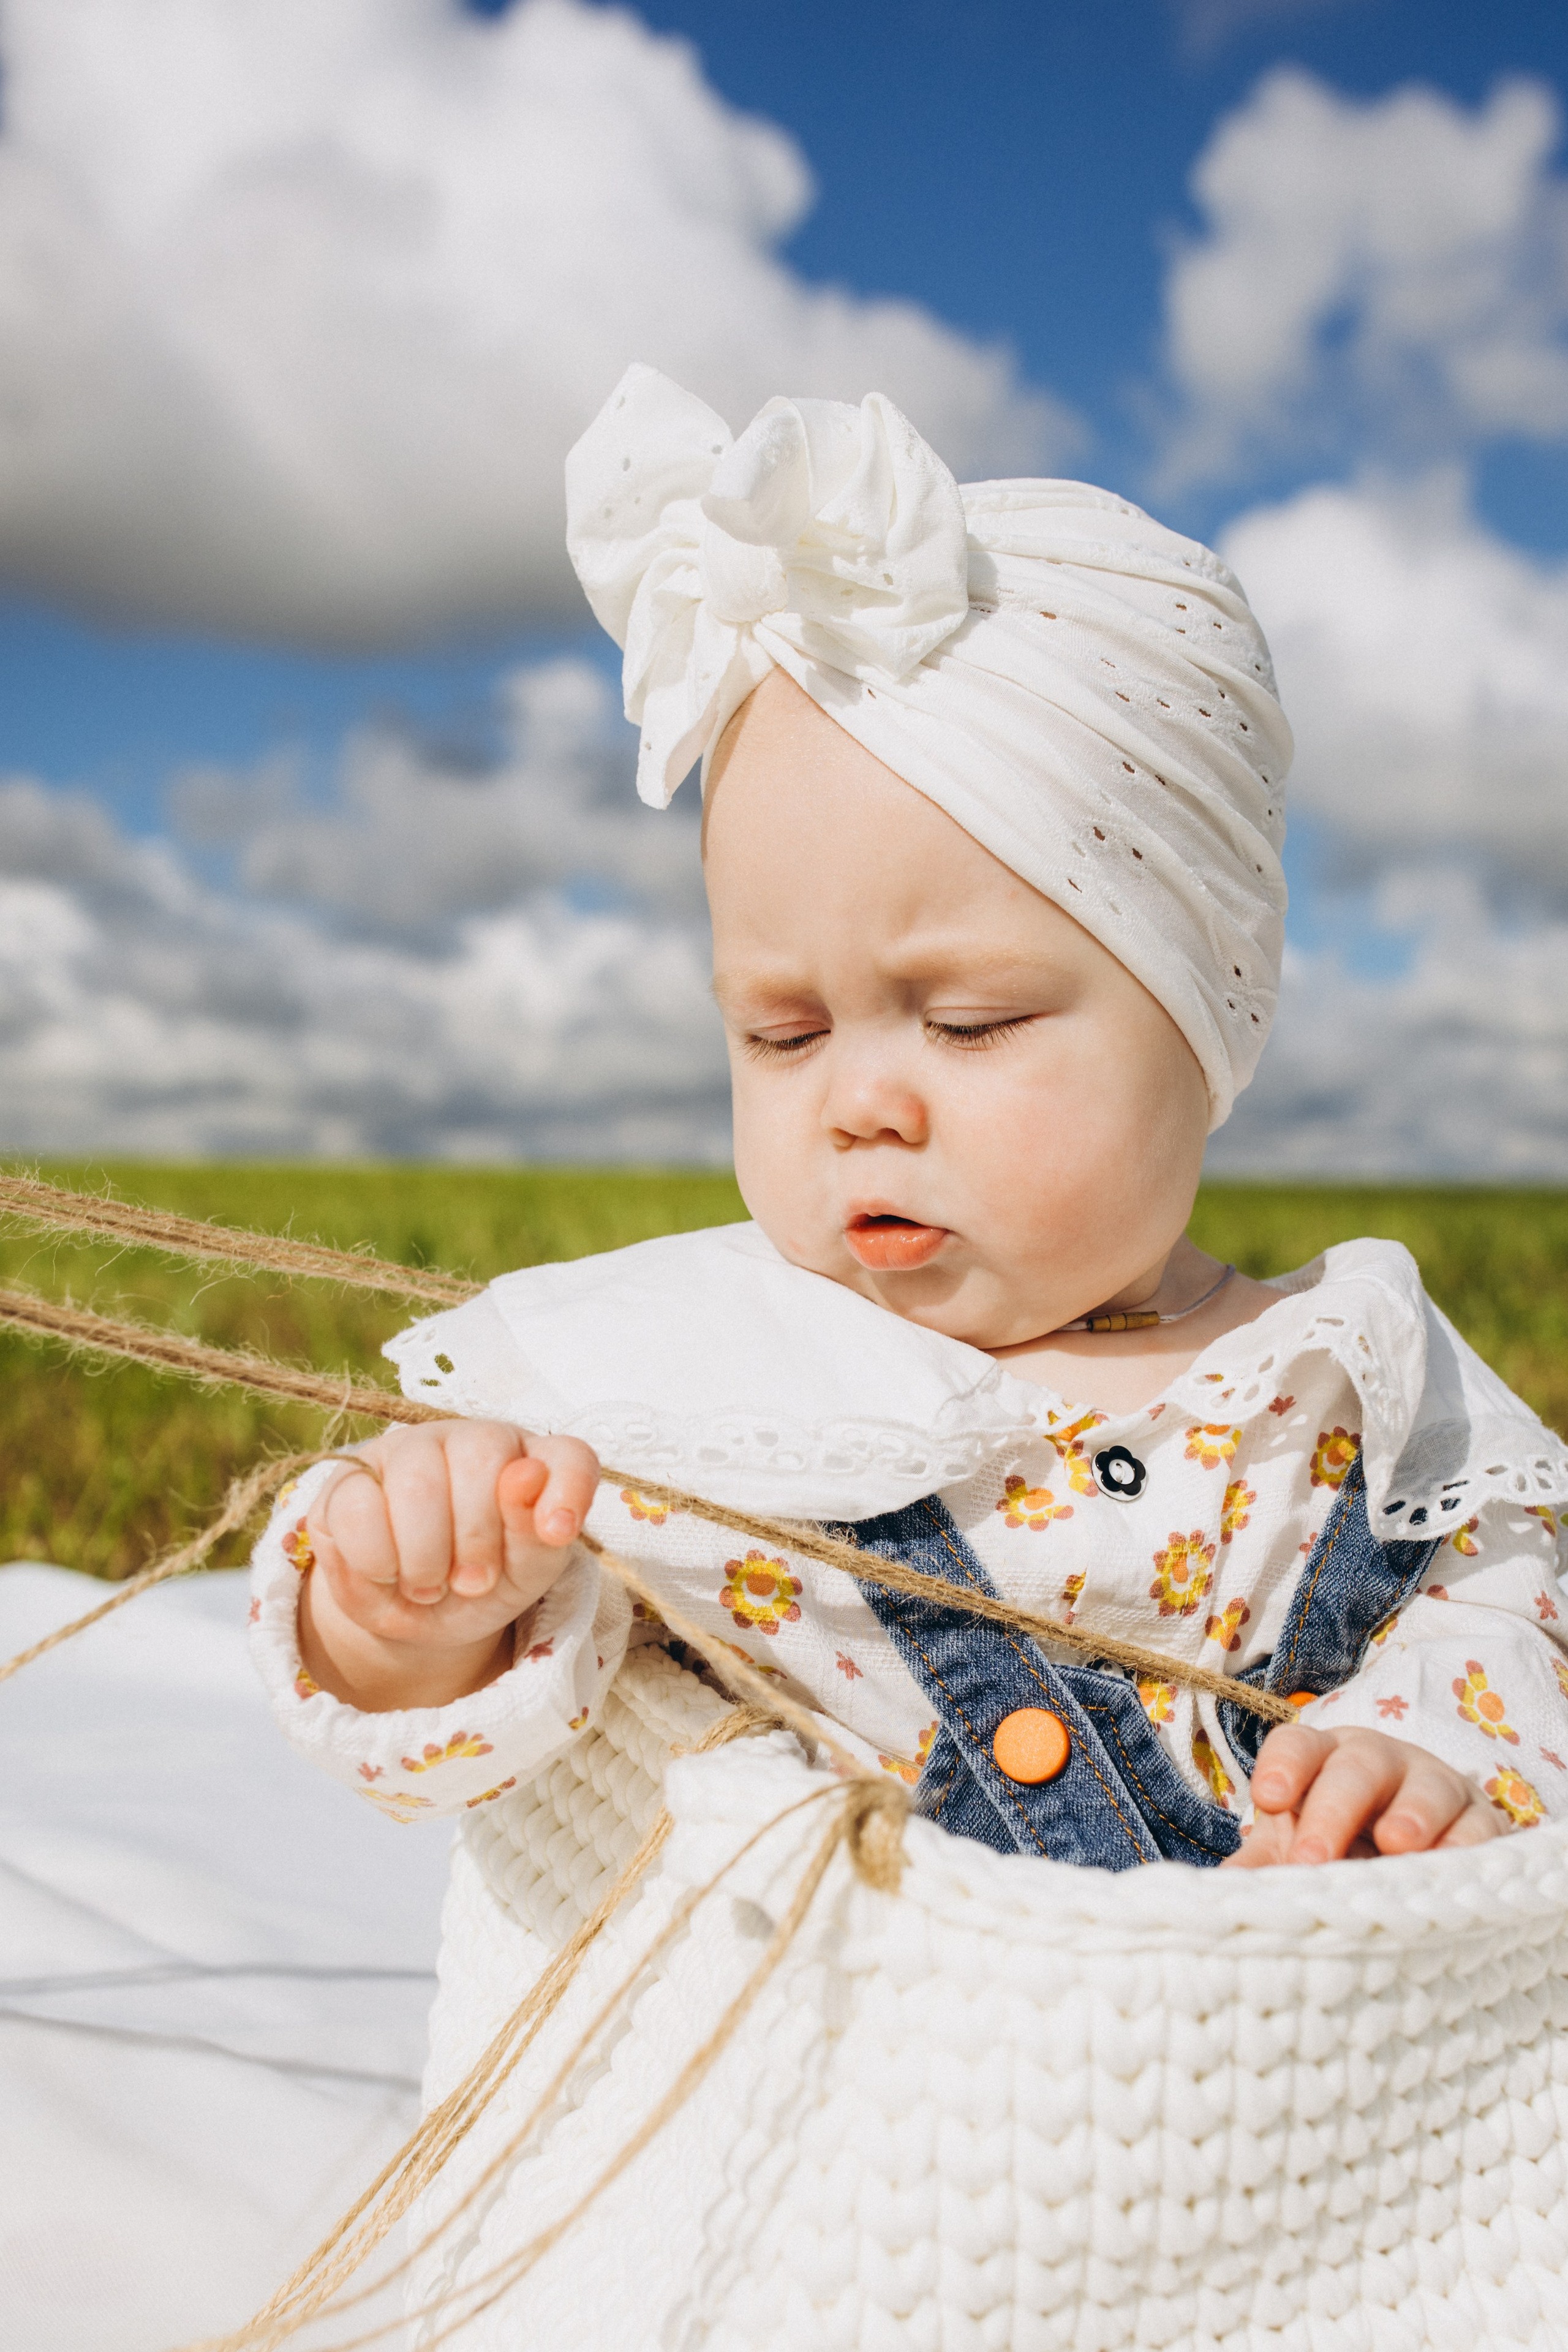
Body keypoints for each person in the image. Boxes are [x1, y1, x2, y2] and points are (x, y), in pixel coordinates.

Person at [252, 365, 1568, 1880]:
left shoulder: (1349, 1381)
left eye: (968, 1024)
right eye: (783, 1034)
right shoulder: (680, 1389)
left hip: (1265, 2077)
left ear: (1204, 1024)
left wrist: (1421, 1770)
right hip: (828, 2077)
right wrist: (408, 1614)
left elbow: (1513, 1619)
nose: (861, 1103)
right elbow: (465, 1743)